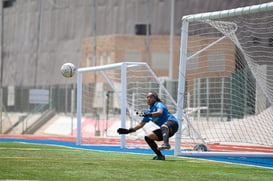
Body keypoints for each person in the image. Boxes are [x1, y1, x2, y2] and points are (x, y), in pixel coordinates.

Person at [117, 92, 179, 160]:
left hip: (173, 123)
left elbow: (159, 113)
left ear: (155, 99)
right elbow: (141, 124)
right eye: (147, 97)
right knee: (148, 137)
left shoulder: (158, 104)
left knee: (163, 126)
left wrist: (147, 115)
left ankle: (166, 144)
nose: (148, 99)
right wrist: (129, 131)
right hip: (165, 130)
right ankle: (160, 156)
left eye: (151, 97)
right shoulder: (148, 111)